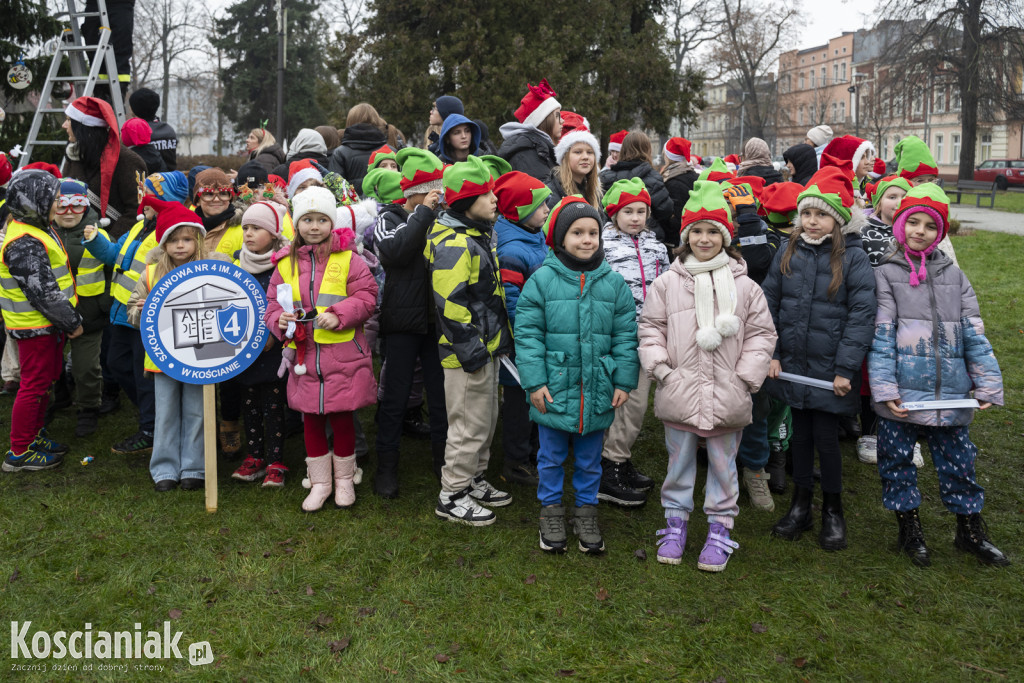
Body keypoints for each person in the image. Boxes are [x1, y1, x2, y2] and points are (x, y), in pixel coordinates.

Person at [639, 181, 776, 571]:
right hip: (680, 390)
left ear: (725, 236)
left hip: (727, 391)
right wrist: (664, 371)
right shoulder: (667, 284)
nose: (704, 238)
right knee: (679, 461)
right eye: (696, 231)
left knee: (722, 463)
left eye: (712, 231)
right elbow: (650, 328)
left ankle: (719, 528)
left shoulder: (746, 287)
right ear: (684, 236)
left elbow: (762, 335)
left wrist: (745, 379)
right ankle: (675, 523)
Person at [868, 184, 1008, 567]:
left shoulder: (955, 277)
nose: (920, 230)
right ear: (900, 225)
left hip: (951, 393)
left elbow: (974, 333)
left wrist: (987, 383)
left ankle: (970, 531)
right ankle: (909, 530)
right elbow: (880, 337)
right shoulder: (884, 274)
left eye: (930, 225)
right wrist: (884, 389)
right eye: (912, 221)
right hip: (903, 393)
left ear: (940, 232)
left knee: (960, 463)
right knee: (896, 463)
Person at [515, 196, 640, 554]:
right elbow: (527, 335)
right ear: (559, 238)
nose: (587, 240)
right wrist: (535, 381)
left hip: (597, 388)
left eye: (593, 233)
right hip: (554, 388)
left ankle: (586, 510)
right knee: (551, 456)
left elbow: (625, 335)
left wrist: (623, 380)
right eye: (577, 232)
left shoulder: (613, 285)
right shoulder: (541, 282)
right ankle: (551, 509)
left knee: (589, 459)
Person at [763, 166, 877, 552]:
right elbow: (768, 305)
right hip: (793, 364)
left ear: (838, 219)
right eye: (806, 214)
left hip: (831, 370)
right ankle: (800, 504)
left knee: (826, 440)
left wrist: (846, 368)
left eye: (821, 214)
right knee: (800, 436)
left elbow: (862, 314)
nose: (812, 222)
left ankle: (833, 508)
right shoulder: (788, 249)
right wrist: (773, 354)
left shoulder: (853, 258)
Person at [265, 187, 378, 512]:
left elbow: (368, 296)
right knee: (311, 421)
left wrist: (339, 315)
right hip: (304, 358)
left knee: (342, 419)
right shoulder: (285, 264)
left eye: (321, 220)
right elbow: (272, 303)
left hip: (343, 358)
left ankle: (344, 481)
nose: (314, 226)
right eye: (307, 220)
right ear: (297, 224)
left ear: (332, 222)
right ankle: (320, 483)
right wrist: (279, 319)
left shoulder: (349, 259)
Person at [425, 155, 514, 526]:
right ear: (464, 202)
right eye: (486, 193)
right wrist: (472, 351)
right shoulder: (454, 242)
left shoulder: (475, 234)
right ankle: (452, 494)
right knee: (467, 424)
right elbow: (450, 306)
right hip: (465, 354)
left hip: (486, 347)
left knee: (485, 418)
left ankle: (474, 478)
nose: (495, 199)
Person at [125, 196, 217, 491]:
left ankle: (194, 467)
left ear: (198, 241)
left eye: (187, 239)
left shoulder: (211, 272)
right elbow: (131, 313)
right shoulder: (150, 273)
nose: (181, 246)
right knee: (165, 413)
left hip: (199, 357)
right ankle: (164, 468)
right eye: (174, 240)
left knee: (196, 411)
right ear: (163, 244)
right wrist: (141, 310)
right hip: (161, 358)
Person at [371, 147, 448, 497]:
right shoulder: (388, 220)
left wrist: (432, 213)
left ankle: (444, 463)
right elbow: (397, 251)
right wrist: (423, 214)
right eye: (434, 192)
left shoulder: (441, 218)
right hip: (402, 322)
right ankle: (386, 468)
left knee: (441, 397)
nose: (440, 198)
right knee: (394, 398)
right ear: (414, 194)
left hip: (437, 322)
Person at [0, 170, 84, 472]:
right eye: (53, 198)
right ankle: (19, 452)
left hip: (46, 326)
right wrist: (72, 321)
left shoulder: (36, 228)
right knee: (33, 386)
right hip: (34, 326)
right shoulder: (24, 240)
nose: (58, 204)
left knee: (43, 382)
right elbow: (43, 292)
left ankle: (34, 436)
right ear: (34, 201)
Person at [598, 178, 668, 507]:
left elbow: (667, 286)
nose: (636, 217)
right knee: (618, 401)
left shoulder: (657, 247)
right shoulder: (603, 246)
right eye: (628, 211)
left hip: (647, 336)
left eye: (642, 211)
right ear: (614, 214)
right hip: (615, 337)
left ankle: (620, 459)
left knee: (637, 404)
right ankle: (607, 468)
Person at [492, 171, 552, 487]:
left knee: (535, 398)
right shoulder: (512, 251)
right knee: (519, 402)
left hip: (537, 337)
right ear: (520, 211)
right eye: (541, 205)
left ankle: (533, 453)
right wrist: (528, 336)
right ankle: (516, 460)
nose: (547, 210)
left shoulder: (532, 237)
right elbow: (512, 302)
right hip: (522, 341)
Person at [228, 201, 292, 488]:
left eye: (257, 228)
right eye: (246, 228)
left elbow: (288, 304)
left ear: (274, 233)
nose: (249, 234)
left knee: (273, 405)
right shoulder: (235, 263)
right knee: (250, 402)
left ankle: (276, 460)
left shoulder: (285, 265)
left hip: (272, 350)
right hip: (243, 350)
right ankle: (255, 456)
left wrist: (273, 335)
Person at [51, 179, 112, 438]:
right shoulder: (42, 232)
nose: (68, 212)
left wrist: (103, 306)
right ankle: (59, 395)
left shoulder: (99, 234)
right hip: (51, 315)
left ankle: (88, 408)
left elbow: (113, 271)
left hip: (89, 316)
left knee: (87, 367)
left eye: (76, 205)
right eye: (62, 205)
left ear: (86, 205)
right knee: (49, 364)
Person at [62, 96, 146, 239]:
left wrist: (105, 246)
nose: (64, 125)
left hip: (112, 248)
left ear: (85, 128)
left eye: (69, 120)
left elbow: (137, 211)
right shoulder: (75, 155)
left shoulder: (128, 161)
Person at [599, 132, 675, 245]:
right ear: (647, 151)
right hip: (647, 239)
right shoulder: (653, 177)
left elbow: (602, 211)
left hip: (613, 239)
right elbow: (665, 210)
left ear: (623, 150)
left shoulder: (607, 177)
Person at [497, 79, 562, 182]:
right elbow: (544, 194)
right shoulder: (527, 154)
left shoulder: (539, 148)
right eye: (557, 116)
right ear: (543, 120)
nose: (562, 121)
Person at [329, 103, 391, 192]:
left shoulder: (340, 153)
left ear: (350, 122)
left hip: (353, 205)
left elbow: (336, 188)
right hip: (386, 204)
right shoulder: (390, 151)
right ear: (376, 120)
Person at [546, 128, 603, 209]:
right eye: (578, 152)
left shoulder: (594, 194)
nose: (585, 157)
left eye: (590, 152)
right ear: (564, 158)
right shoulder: (551, 194)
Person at [128, 88, 178, 171]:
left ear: (134, 109)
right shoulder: (169, 129)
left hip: (148, 183)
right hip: (171, 181)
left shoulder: (137, 133)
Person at [661, 137, 699, 233]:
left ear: (667, 156)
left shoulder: (672, 180)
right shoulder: (694, 175)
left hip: (676, 237)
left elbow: (677, 218)